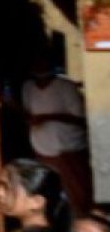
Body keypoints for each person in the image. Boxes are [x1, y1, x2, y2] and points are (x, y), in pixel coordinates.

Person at [20, 54, 92, 214]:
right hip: (42, 147)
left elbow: (80, 119)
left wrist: (48, 117)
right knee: (51, 195)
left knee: (78, 195)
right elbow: (28, 113)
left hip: (68, 148)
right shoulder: (28, 88)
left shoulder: (65, 86)